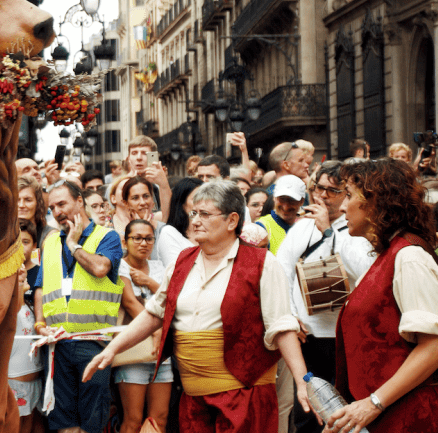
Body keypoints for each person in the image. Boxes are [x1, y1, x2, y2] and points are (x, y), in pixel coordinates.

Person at [83, 181, 311, 433]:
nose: (195, 221)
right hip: (194, 400)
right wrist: (112, 349)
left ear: (232, 220)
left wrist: (302, 380)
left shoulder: (262, 263)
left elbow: (282, 326)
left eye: (205, 214)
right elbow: (154, 313)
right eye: (194, 213)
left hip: (244, 398)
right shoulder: (182, 261)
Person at [326, 158, 438, 433]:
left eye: (349, 196)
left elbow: (435, 349)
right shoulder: (391, 254)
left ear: (376, 200)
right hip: (394, 413)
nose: (342, 206)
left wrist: (373, 403)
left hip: (413, 415)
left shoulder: (409, 257)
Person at [275, 160, 373, 433]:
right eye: (320, 188)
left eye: (333, 190)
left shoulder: (354, 228)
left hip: (345, 335)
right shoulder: (301, 227)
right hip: (310, 335)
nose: (323, 196)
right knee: (309, 409)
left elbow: (360, 268)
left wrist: (328, 230)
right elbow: (281, 271)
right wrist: (292, 316)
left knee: (345, 404)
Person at [33, 180, 123, 433]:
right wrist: (40, 324)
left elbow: (99, 268)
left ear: (80, 201)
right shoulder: (49, 242)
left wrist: (73, 246)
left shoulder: (107, 236)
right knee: (63, 420)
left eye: (62, 203)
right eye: (52, 207)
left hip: (93, 344)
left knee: (92, 420)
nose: (57, 211)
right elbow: (40, 288)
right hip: (58, 344)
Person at [115, 219, 171, 433]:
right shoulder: (120, 265)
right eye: (136, 238)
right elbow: (129, 302)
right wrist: (156, 330)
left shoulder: (159, 267)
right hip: (133, 351)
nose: (143, 243)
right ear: (125, 241)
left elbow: (171, 300)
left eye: (148, 238)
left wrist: (149, 281)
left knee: (160, 419)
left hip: (162, 355)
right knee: (133, 419)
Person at [9, 262, 44, 433]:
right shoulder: (11, 309)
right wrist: (19, 279)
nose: (23, 271)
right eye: (17, 270)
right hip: (16, 384)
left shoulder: (30, 306)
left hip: (35, 383)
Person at [256, 175, 305, 255]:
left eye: (291, 200)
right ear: (274, 198)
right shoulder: (261, 227)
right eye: (282, 199)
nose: (285, 207)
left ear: (301, 201)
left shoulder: (305, 227)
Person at [17, 175, 46, 245]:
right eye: (16, 200)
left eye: (28, 200)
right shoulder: (2, 235)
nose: (21, 205)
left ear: (38, 203)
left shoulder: (49, 235)